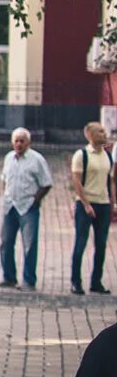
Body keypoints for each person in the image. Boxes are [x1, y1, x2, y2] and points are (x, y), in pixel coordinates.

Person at [0, 128, 53, 289]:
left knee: (29, 244)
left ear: (28, 142)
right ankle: (8, 277)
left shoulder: (37, 160)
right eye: (16, 141)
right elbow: (4, 179)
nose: (19, 144)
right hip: (10, 206)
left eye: (22, 141)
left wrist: (36, 200)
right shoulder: (9, 158)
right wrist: (6, 194)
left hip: (28, 206)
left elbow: (46, 183)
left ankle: (29, 280)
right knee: (6, 243)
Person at [75, 122, 115, 295]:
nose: (104, 134)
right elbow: (76, 181)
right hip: (86, 204)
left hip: (103, 204)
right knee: (80, 243)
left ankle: (96, 281)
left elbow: (111, 180)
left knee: (101, 244)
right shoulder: (82, 155)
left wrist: (112, 202)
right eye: (100, 131)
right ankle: (76, 282)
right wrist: (85, 204)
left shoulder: (107, 155)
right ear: (90, 134)